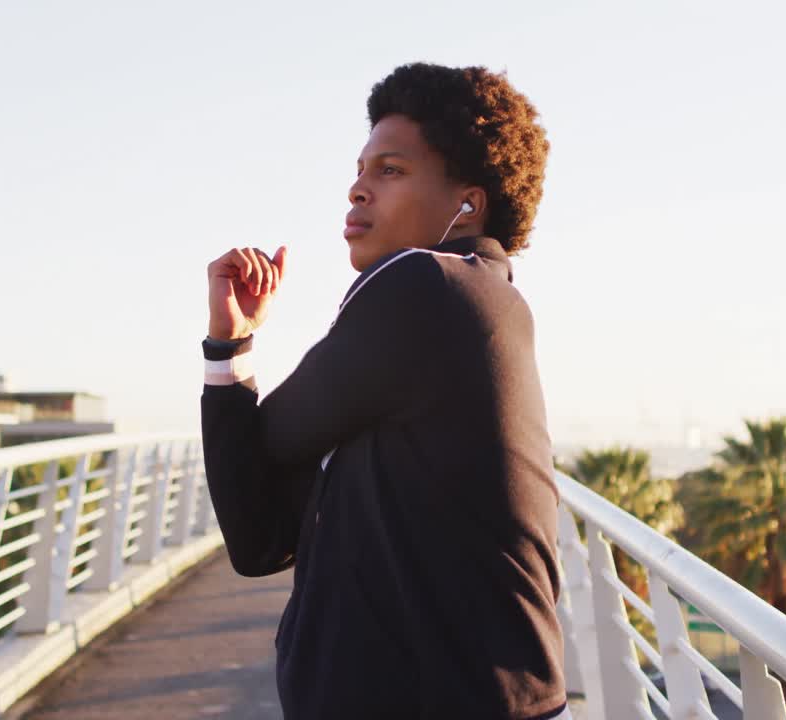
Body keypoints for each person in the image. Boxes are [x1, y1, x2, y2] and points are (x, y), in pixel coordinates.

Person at [200, 62, 566, 719]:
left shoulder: (426, 285)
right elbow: (260, 539)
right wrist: (232, 347)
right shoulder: (481, 300)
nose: (357, 191)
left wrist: (228, 351)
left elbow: (255, 472)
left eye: (390, 170)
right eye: (361, 169)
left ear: (469, 202)